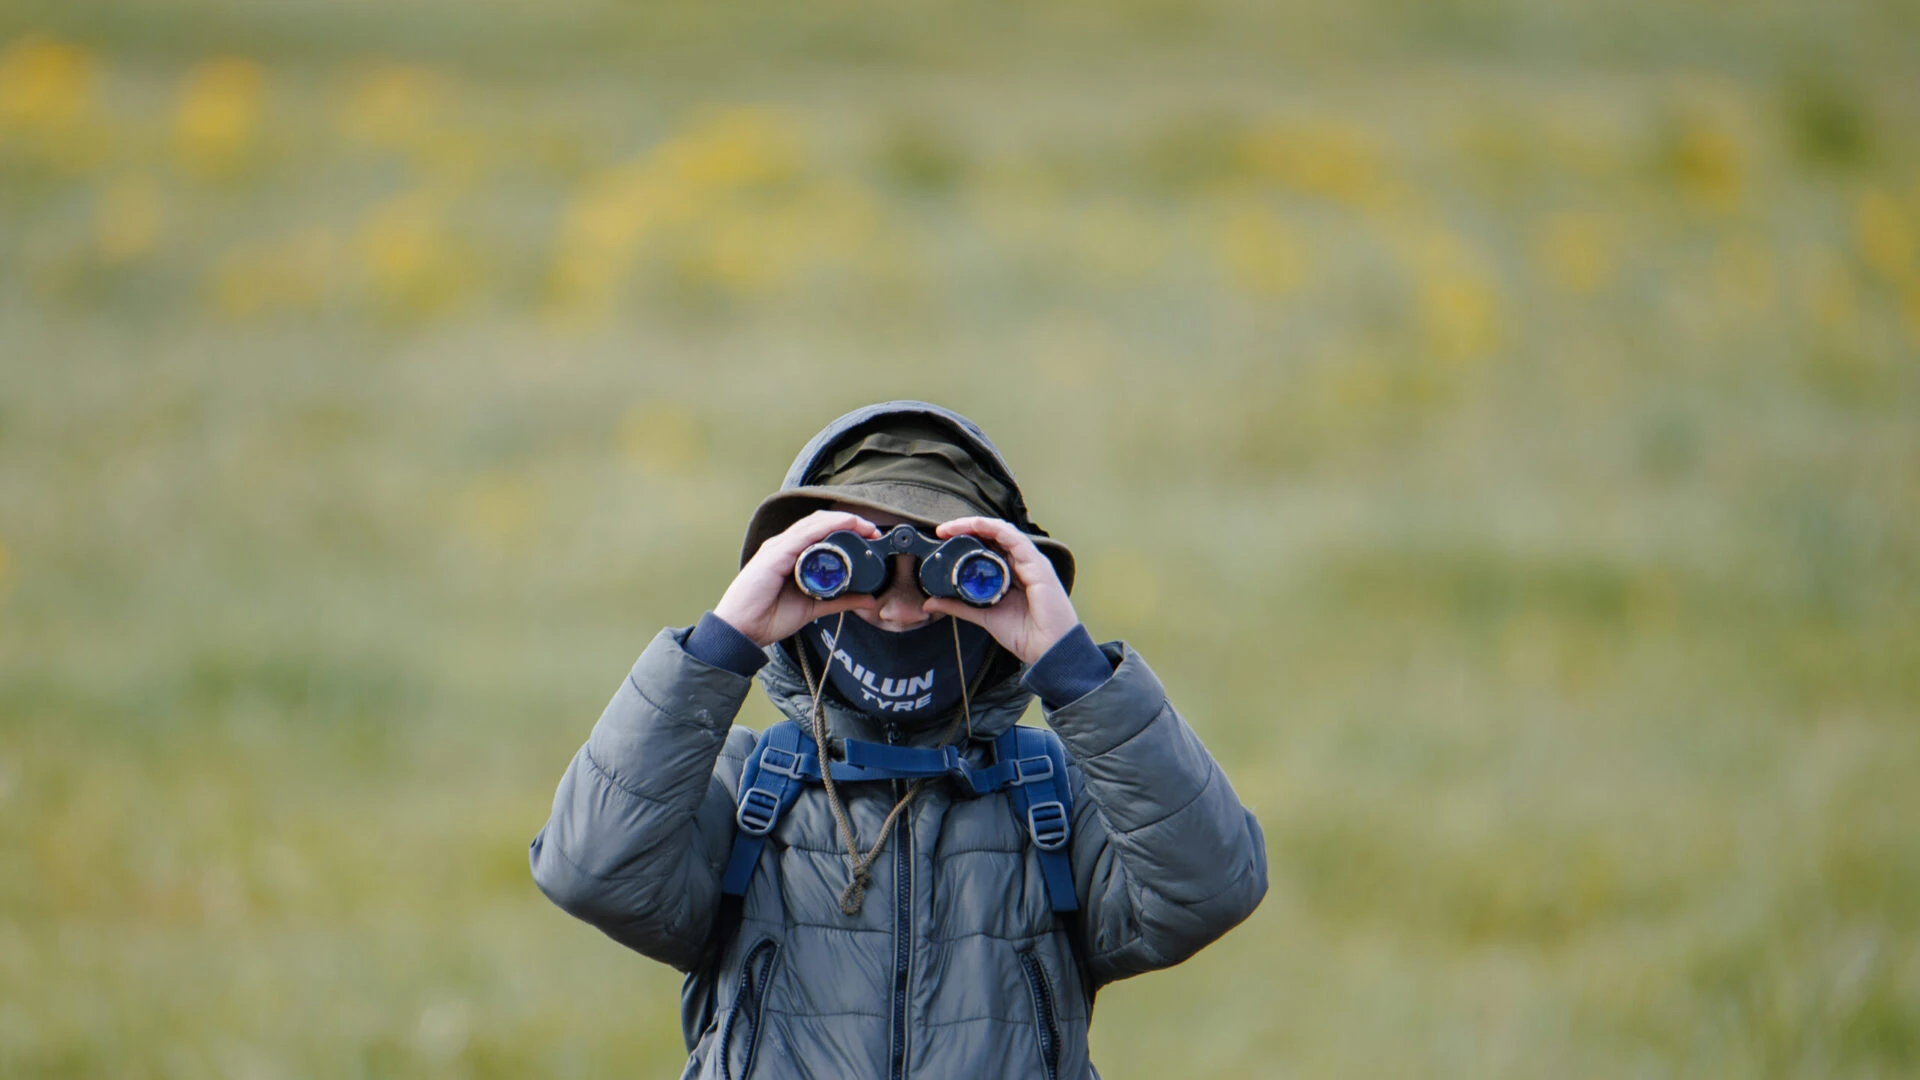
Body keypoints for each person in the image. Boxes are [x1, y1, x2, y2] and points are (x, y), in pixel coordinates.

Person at [530, 400, 1268, 1079]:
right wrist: (726, 642)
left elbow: (1210, 887)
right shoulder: (745, 790)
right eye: (848, 569)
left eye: (954, 580)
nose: (899, 610)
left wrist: (1074, 670)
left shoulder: (1052, 800)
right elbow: (588, 869)